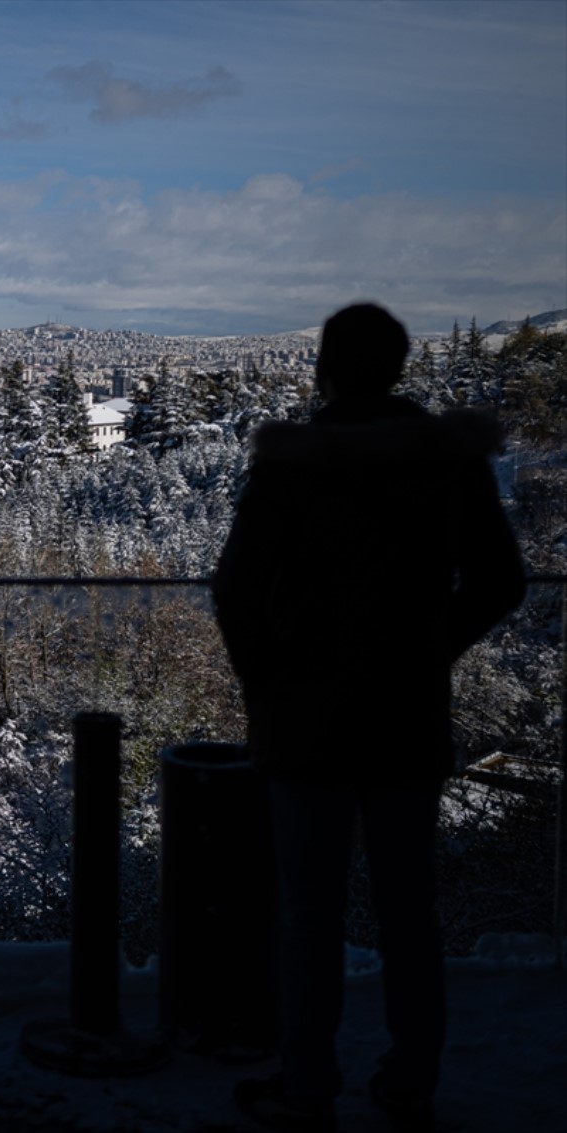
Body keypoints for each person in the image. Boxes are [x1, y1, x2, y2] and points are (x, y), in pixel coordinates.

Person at [211, 303, 525, 1132]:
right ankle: (411, 1080)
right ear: (397, 366)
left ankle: (307, 1085)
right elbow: (501, 581)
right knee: (409, 912)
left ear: (324, 369)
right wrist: (430, 647)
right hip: (406, 713)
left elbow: (236, 589)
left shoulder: (293, 466)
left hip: (306, 717)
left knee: (308, 916)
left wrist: (267, 681)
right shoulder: (447, 463)